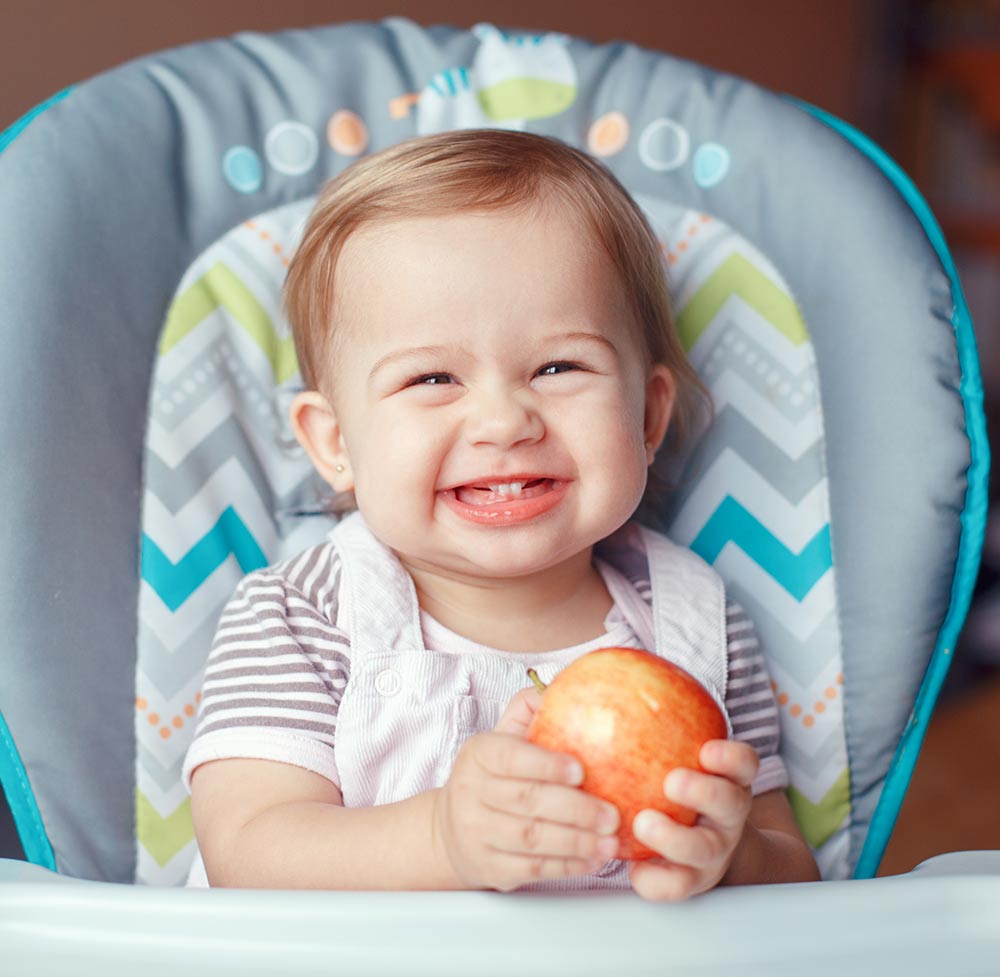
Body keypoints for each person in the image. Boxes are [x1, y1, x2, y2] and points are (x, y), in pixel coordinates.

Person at [183, 129, 820, 898]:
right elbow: (248, 852)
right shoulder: (300, 618)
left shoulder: (697, 626)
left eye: (559, 367)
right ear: (336, 442)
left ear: (649, 419)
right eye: (432, 378)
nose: (504, 421)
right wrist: (442, 840)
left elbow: (791, 867)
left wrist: (735, 858)